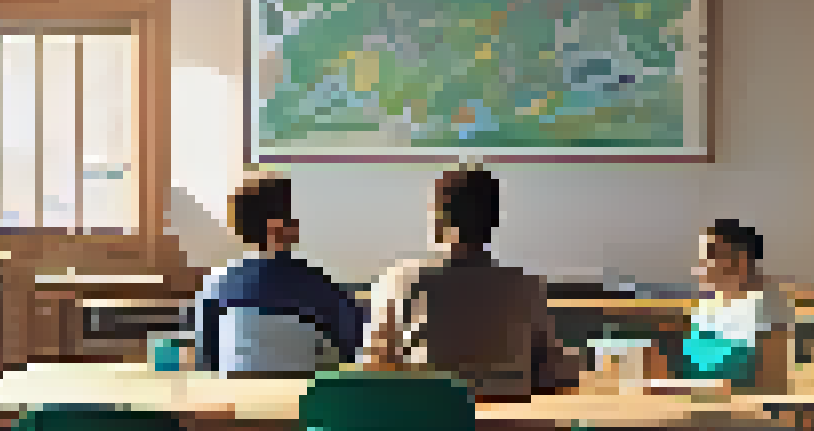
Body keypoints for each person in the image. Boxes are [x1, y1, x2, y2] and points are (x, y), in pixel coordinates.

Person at [359, 166, 577, 399]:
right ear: (493, 222)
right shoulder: (525, 288)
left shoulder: (398, 282)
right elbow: (555, 374)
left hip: (427, 427)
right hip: (505, 430)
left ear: (437, 220)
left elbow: (376, 371)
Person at [191, 174, 365, 375]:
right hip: (303, 402)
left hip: (236, 400)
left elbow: (206, 359)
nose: (298, 224)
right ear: (277, 227)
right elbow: (356, 347)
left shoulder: (215, 285)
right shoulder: (316, 285)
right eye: (292, 216)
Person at [684, 218, 794, 392]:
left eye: (711, 255)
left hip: (743, 409)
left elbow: (775, 382)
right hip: (698, 403)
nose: (702, 264)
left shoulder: (769, 302)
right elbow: (695, 367)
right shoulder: (706, 302)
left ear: (741, 260)